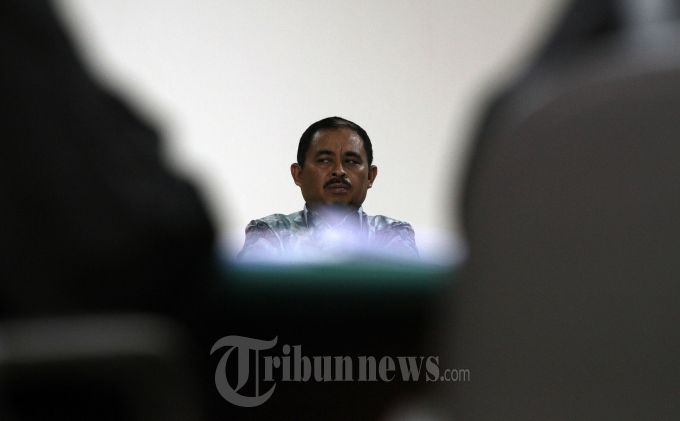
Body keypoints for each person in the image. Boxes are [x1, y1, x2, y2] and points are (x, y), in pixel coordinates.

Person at [238, 117, 417, 261]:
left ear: (370, 176)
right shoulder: (272, 232)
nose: (339, 171)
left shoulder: (390, 233)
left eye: (351, 161)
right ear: (298, 174)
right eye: (324, 160)